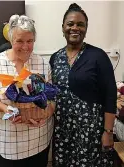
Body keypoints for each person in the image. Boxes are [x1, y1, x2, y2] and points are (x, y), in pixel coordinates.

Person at [0, 14, 54, 167]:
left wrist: (45, 113)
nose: (25, 46)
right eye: (19, 41)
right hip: (9, 144)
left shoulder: (43, 64)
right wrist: (5, 108)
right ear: (11, 40)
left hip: (39, 140)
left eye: (30, 41)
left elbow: (51, 99)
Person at [50, 3, 117, 167]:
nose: (75, 28)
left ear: (86, 29)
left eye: (81, 24)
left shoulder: (98, 56)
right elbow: (50, 94)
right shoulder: (55, 58)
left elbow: (110, 94)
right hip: (62, 131)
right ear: (63, 27)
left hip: (91, 131)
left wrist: (108, 132)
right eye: (70, 24)